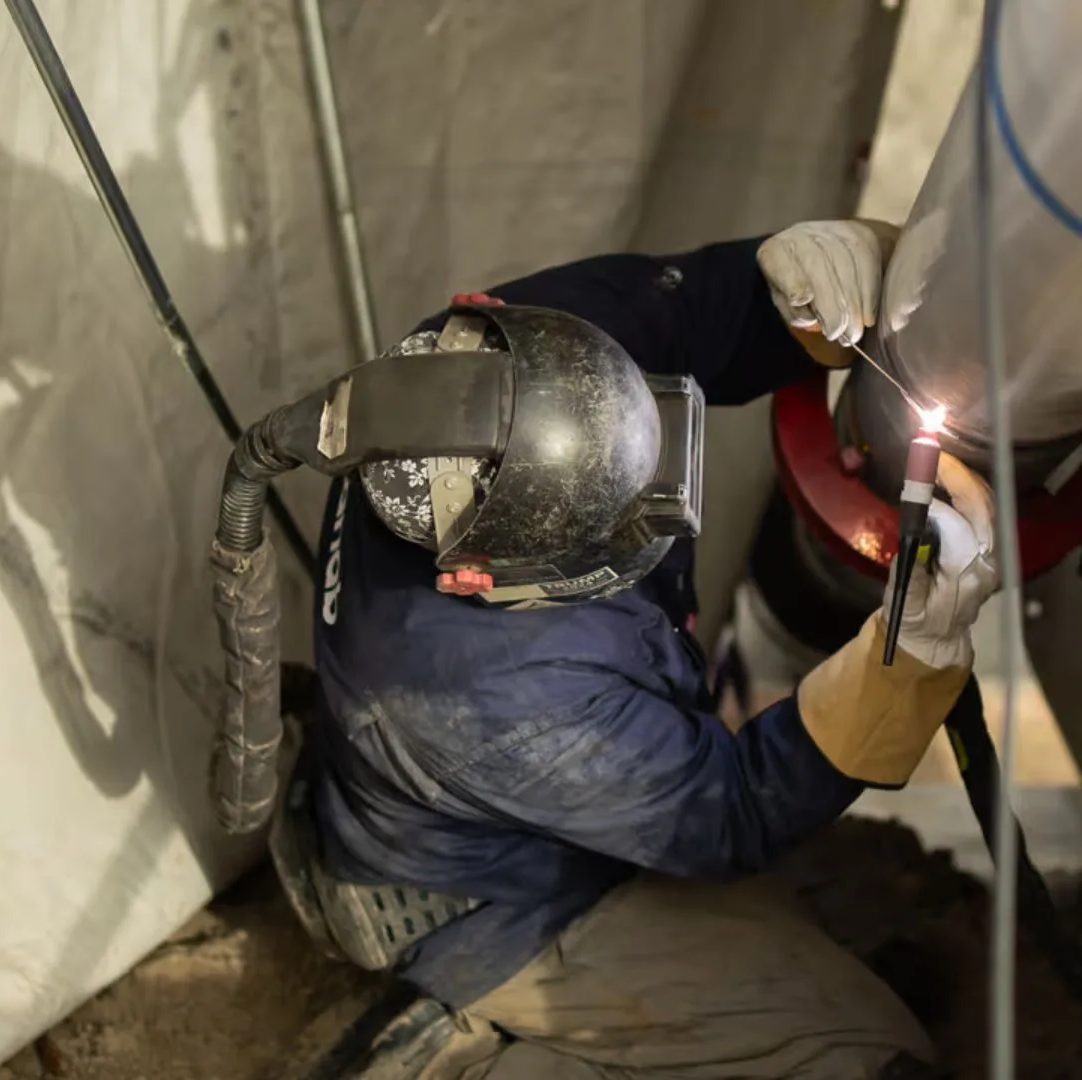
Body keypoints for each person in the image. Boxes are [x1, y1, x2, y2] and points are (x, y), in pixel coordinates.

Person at [294, 220, 1001, 1079]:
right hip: (504, 904)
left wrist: (808, 278)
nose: (664, 487)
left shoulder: (531, 347)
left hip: (532, 801)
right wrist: (909, 655)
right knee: (861, 1058)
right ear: (482, 576)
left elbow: (695, 311)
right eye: (614, 517)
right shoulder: (480, 692)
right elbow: (731, 811)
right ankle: (459, 1059)